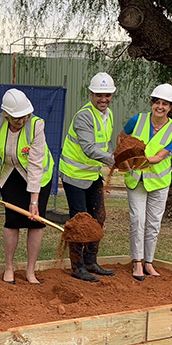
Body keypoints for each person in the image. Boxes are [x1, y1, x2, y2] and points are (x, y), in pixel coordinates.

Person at [0, 89, 54, 285]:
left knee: (35, 221)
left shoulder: (36, 126)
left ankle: (31, 271)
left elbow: (36, 165)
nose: (21, 121)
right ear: (6, 115)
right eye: (16, 118)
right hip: (10, 175)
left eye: (25, 116)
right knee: (12, 221)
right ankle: (9, 267)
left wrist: (34, 200)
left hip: (38, 178)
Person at [117, 84, 172, 280]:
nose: (160, 107)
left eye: (165, 104)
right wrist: (124, 157)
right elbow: (122, 138)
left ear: (170, 107)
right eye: (157, 102)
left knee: (154, 223)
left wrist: (139, 159)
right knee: (138, 220)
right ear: (152, 103)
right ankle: (137, 262)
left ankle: (149, 262)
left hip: (159, 182)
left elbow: (161, 156)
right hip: (136, 179)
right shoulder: (138, 120)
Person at [59, 72, 116, 283]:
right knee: (80, 220)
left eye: (107, 95)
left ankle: (91, 261)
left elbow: (104, 143)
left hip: (92, 175)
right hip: (74, 175)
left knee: (99, 217)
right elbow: (90, 149)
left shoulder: (108, 115)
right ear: (91, 94)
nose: (104, 99)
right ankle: (77, 266)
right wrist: (114, 160)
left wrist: (111, 157)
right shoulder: (84, 116)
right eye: (99, 95)